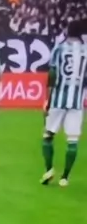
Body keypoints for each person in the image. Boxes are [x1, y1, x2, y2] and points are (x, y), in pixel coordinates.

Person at [41, 20, 87, 187]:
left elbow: (52, 74)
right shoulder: (86, 50)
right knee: (72, 140)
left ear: (68, 31)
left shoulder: (59, 48)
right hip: (76, 101)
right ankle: (65, 177)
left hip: (58, 99)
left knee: (48, 135)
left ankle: (49, 169)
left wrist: (47, 98)